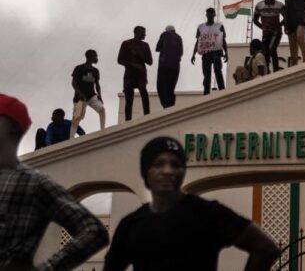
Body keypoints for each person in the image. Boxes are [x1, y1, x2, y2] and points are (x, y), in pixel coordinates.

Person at [103, 136, 280, 271]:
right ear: (146, 171)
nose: (167, 171)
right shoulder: (131, 224)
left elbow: (265, 248)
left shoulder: (208, 213)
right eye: (158, 164)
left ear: (183, 171)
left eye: (175, 164)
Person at [0, 94, 108, 269]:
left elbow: (93, 231)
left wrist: (49, 268)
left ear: (12, 130)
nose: (54, 119)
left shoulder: (31, 183)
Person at [118, 25, 154, 120]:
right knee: (129, 98)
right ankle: (128, 120)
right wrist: (132, 64)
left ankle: (147, 115)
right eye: (143, 32)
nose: (145, 34)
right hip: (129, 73)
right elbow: (120, 59)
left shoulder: (145, 45)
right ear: (137, 32)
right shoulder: (126, 43)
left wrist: (140, 55)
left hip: (141, 73)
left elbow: (150, 61)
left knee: (143, 90)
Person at [191, 8, 228, 95]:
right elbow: (198, 41)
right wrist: (193, 54)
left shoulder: (219, 26)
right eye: (208, 14)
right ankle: (206, 92)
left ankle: (222, 90)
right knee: (206, 74)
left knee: (217, 70)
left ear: (214, 15)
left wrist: (226, 53)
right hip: (206, 53)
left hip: (216, 52)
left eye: (212, 13)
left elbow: (223, 40)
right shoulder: (201, 27)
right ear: (206, 15)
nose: (210, 15)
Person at [70, 48, 107, 137]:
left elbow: (97, 84)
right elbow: (74, 83)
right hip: (80, 98)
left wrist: (100, 96)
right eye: (95, 56)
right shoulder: (79, 68)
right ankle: (71, 139)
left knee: (102, 109)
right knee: (77, 118)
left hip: (91, 96)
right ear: (89, 57)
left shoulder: (95, 71)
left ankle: (103, 131)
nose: (97, 58)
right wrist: (79, 93)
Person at [254, 0, 285, 73]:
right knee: (266, 52)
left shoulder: (280, 5)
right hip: (266, 33)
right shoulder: (259, 6)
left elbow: (287, 17)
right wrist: (262, 27)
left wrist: (279, 25)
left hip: (276, 33)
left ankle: (276, 71)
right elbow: (255, 20)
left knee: (272, 49)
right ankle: (267, 71)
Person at [156, 25, 183, 108]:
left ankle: (165, 104)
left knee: (161, 86)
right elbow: (181, 52)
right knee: (170, 87)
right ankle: (171, 105)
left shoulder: (164, 34)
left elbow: (157, 48)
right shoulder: (179, 38)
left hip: (164, 65)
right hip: (175, 66)